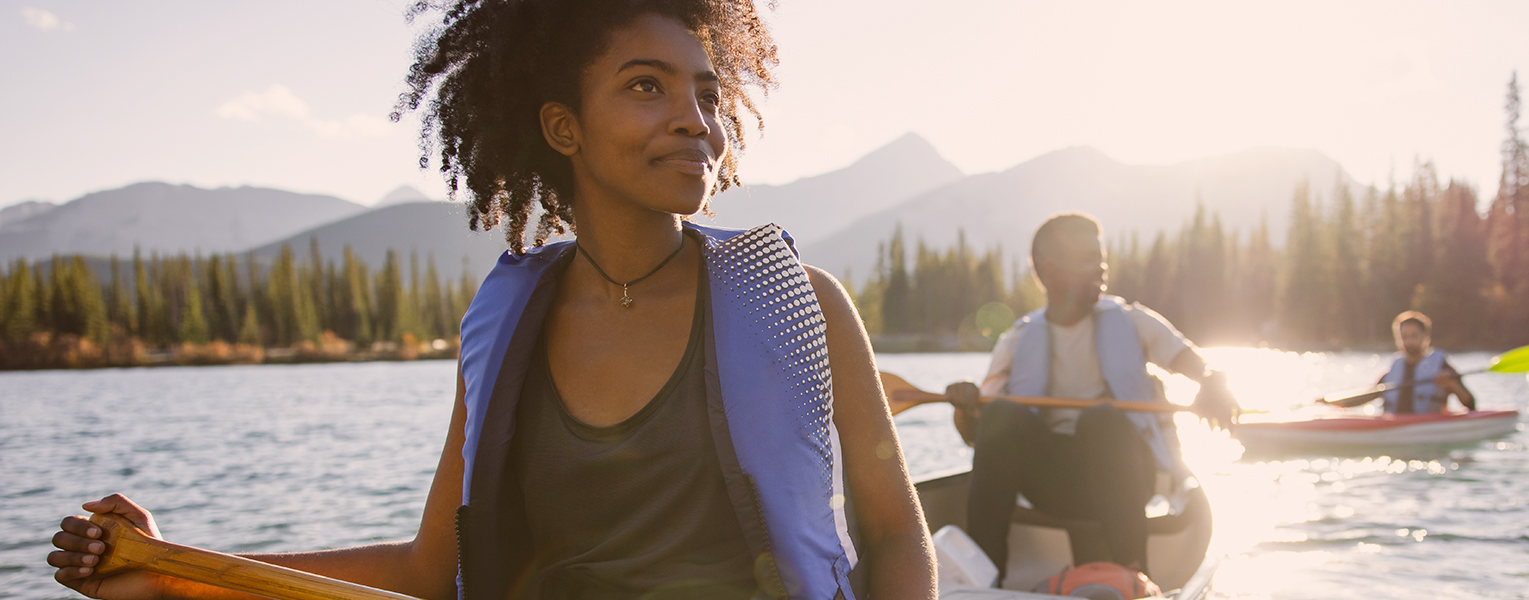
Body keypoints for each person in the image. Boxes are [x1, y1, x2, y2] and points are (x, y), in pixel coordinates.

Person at [46, 1, 935, 599]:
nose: (694, 120)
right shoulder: (508, 329)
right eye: (644, 86)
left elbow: (895, 533)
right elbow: (433, 568)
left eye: (705, 93)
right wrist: (171, 571)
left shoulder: (799, 303)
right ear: (562, 128)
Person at [942, 213, 1237, 583]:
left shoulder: (1132, 321)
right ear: (1048, 271)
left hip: (1128, 475)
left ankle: (1135, 575)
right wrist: (966, 407)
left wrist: (1213, 383)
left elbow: (1199, 367)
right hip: (1055, 483)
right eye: (1085, 260)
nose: (1100, 268)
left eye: (1101, 258)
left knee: (1101, 419)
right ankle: (986, 580)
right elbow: (979, 435)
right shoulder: (1017, 341)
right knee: (1001, 413)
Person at [1321, 311, 1476, 414]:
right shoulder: (1393, 369)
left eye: (1414, 336)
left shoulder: (1442, 366)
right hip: (1395, 431)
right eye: (1404, 336)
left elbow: (1470, 404)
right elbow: (1367, 396)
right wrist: (1330, 401)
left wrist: (1451, 385)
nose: (1409, 341)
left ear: (1425, 336)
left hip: (1429, 431)